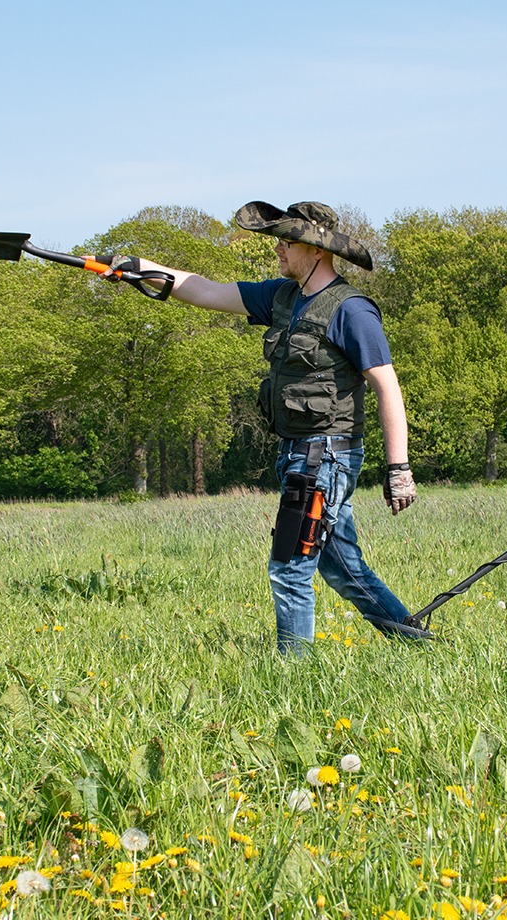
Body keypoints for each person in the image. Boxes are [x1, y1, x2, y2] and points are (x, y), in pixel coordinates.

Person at [104, 201, 419, 654]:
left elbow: (387, 386)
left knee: (289, 566)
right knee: (341, 567)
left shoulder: (352, 311)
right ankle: (416, 641)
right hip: (298, 452)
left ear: (315, 250)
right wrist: (136, 268)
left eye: (286, 242)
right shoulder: (282, 298)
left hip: (325, 455)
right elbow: (205, 291)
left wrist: (398, 469)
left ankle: (293, 676)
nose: (278, 250)